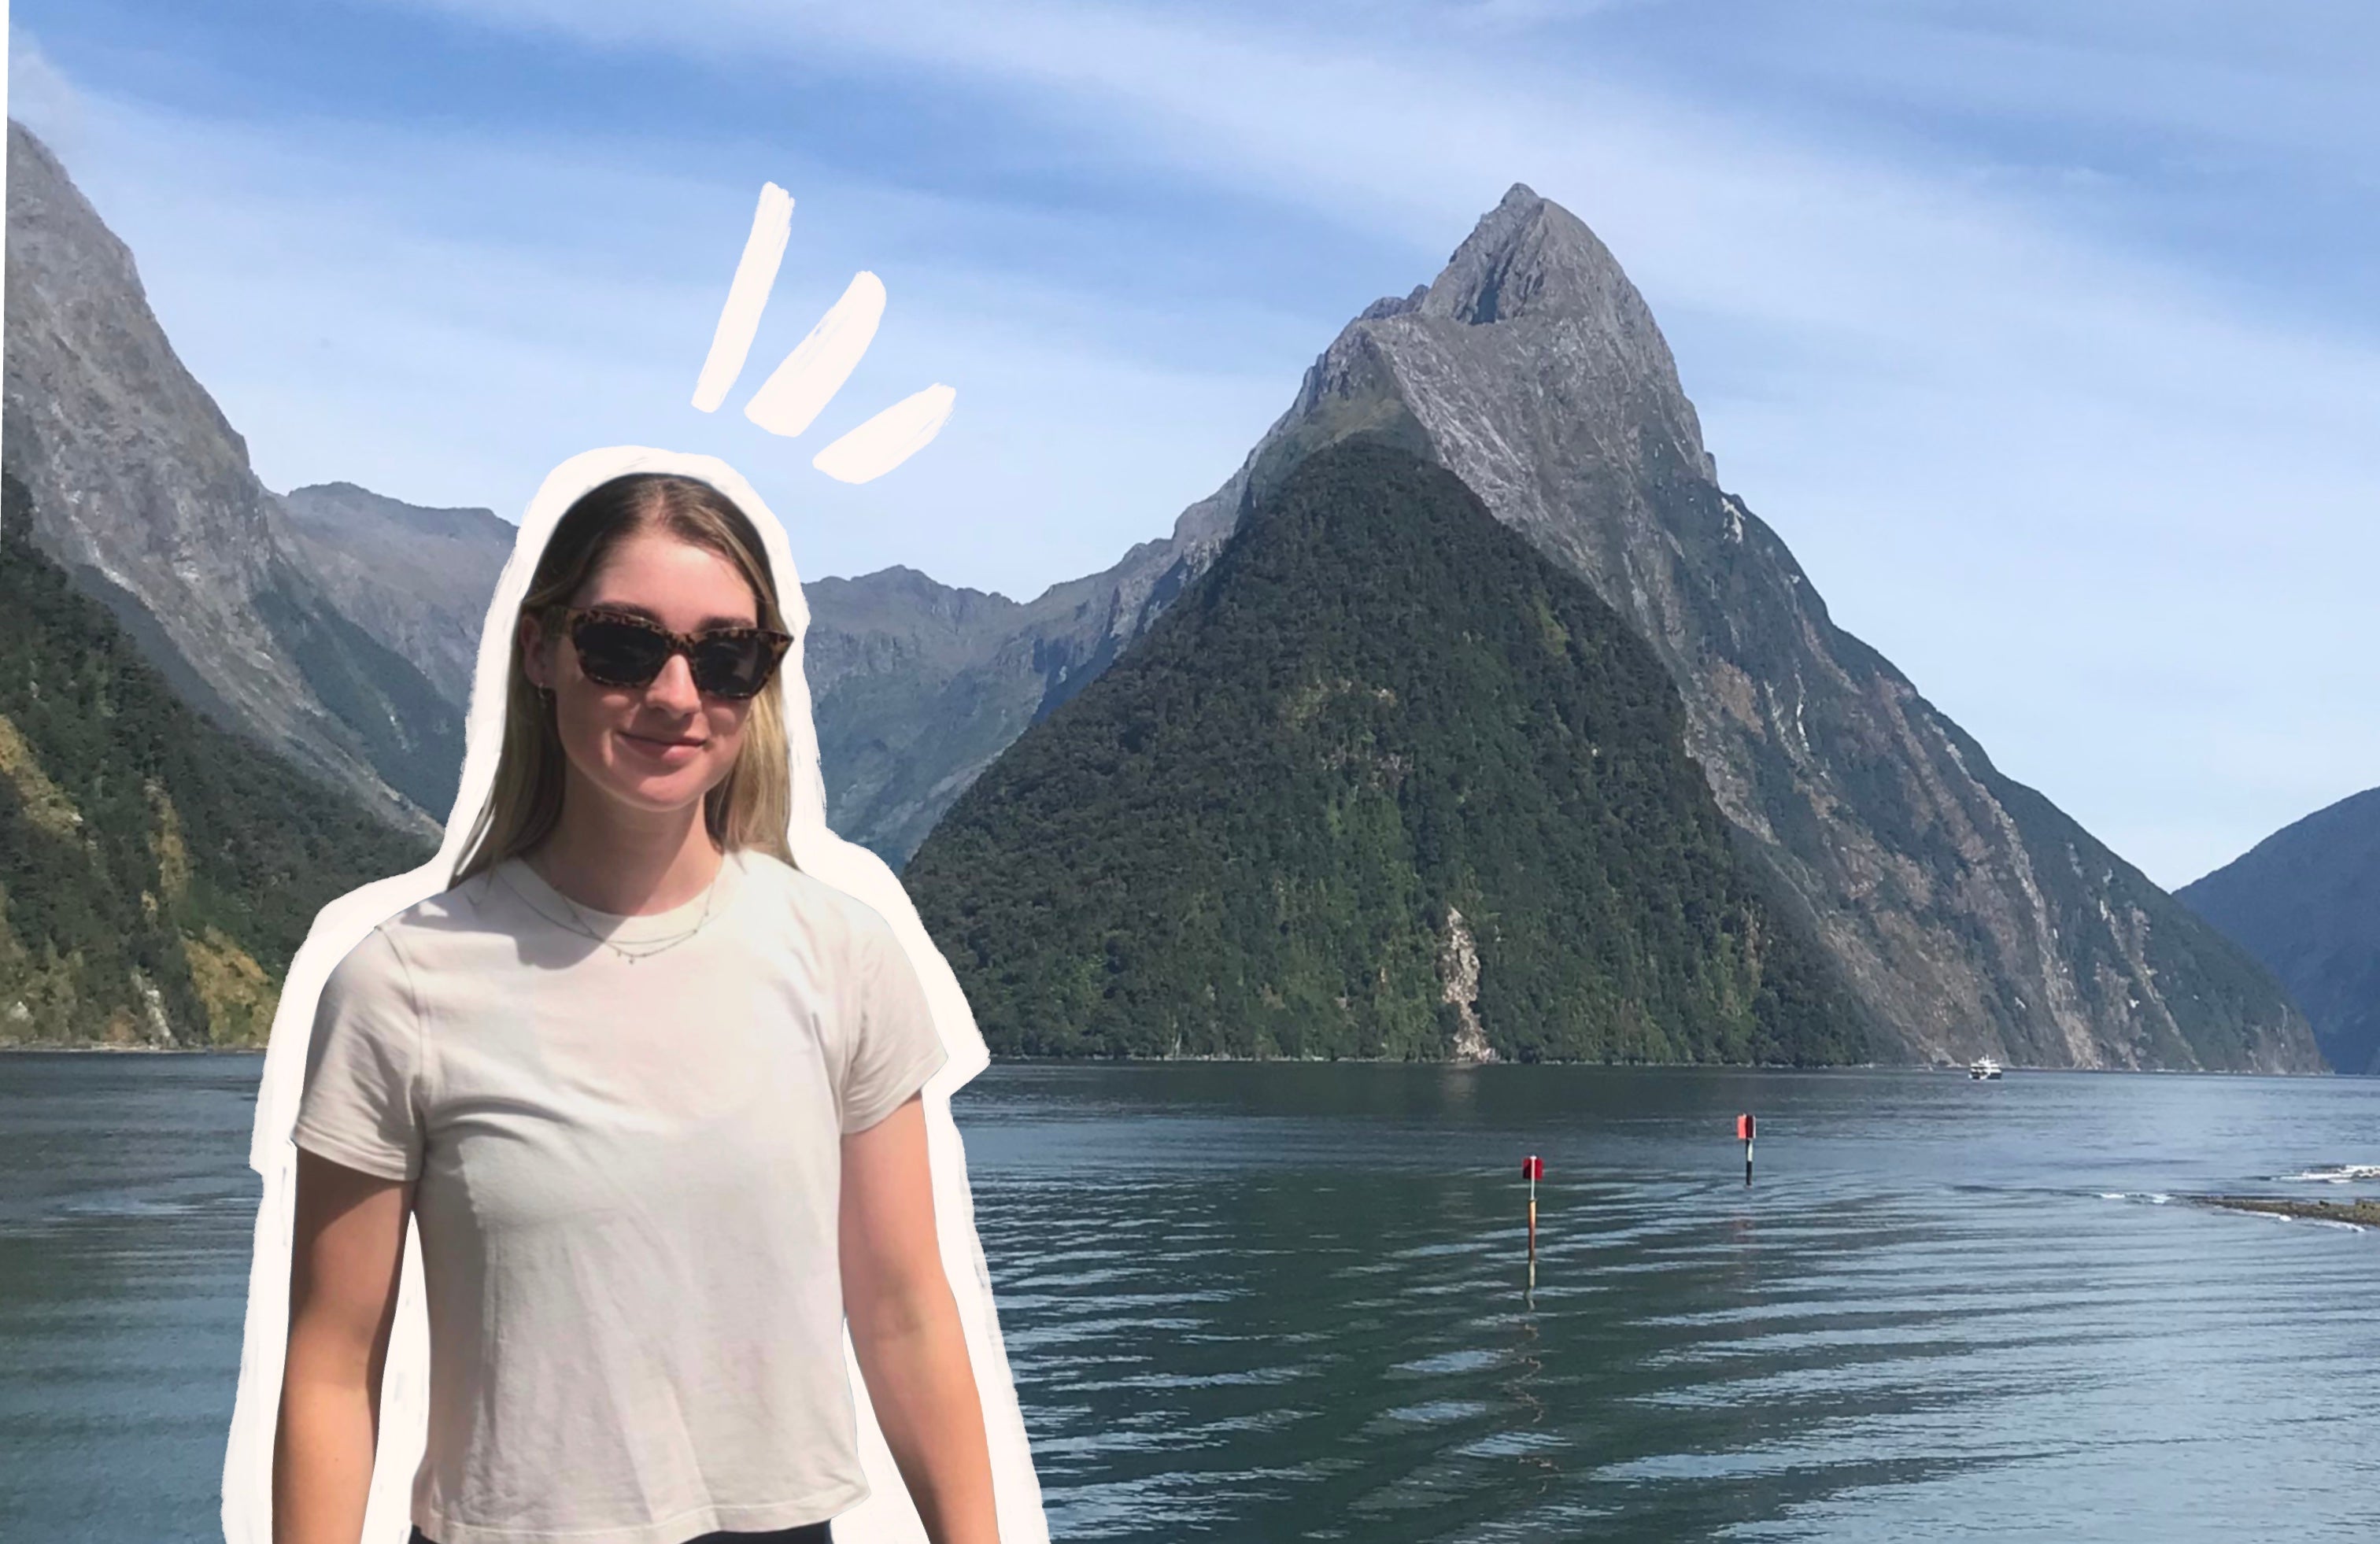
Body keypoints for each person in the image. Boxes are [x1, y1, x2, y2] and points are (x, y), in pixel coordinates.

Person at [270, 471, 1001, 1544]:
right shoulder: (401, 985)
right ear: (541, 650)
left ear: (762, 678)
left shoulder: (842, 956)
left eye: (725, 656)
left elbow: (905, 1314)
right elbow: (331, 1366)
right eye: (623, 645)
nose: (674, 693)